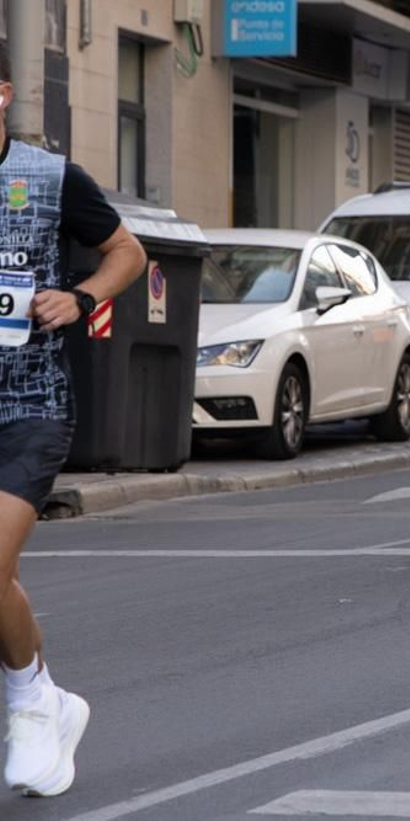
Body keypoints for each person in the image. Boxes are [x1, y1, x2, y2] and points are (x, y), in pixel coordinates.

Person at [1, 76, 146, 797]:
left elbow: (129, 251)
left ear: (1, 93)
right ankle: (50, 701)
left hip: (32, 402)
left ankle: (30, 700)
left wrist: (83, 295)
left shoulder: (50, 177)